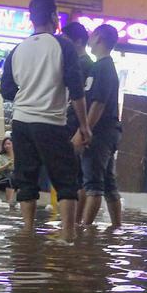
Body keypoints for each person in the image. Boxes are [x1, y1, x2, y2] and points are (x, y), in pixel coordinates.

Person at [0, 0, 89, 243]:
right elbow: (77, 88)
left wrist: (28, 92)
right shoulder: (63, 46)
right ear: (53, 16)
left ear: (31, 19)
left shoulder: (18, 49)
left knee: (25, 178)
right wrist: (84, 125)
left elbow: (6, 90)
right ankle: (68, 237)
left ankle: (27, 234)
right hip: (50, 122)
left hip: (21, 123)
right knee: (65, 178)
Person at [79, 24, 123, 228]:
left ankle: (83, 233)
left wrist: (84, 130)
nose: (89, 36)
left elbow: (98, 103)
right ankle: (116, 228)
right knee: (108, 183)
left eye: (93, 33)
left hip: (100, 131)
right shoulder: (106, 66)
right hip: (109, 131)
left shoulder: (102, 67)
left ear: (98, 38)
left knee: (93, 184)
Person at [61, 21, 94, 217]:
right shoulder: (77, 64)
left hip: (76, 126)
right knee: (72, 174)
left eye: (66, 41)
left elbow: (86, 100)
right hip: (72, 124)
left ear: (78, 42)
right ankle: (73, 223)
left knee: (76, 176)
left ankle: (76, 223)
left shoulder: (85, 66)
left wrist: (81, 129)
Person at [0, 135, 16, 204]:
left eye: (9, 144)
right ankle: (9, 202)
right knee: (10, 180)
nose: (7, 146)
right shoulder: (0, 157)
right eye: (5, 144)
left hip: (14, 181)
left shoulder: (18, 156)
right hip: (0, 181)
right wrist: (7, 165)